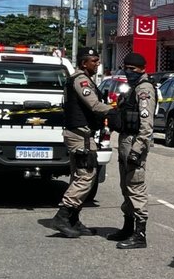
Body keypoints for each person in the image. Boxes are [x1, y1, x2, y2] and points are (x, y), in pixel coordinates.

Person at [51, 47, 113, 238]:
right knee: (85, 177)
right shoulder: (81, 80)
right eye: (94, 60)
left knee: (78, 176)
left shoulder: (83, 79)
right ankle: (62, 216)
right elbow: (94, 105)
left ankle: (73, 219)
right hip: (80, 136)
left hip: (81, 135)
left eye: (97, 60)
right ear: (84, 62)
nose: (97, 63)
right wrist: (115, 111)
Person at [106, 53, 156, 250]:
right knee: (125, 187)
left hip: (135, 142)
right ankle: (127, 227)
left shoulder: (144, 89)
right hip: (125, 139)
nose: (128, 72)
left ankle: (139, 234)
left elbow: (146, 125)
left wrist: (137, 150)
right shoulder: (132, 88)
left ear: (142, 69)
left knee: (136, 187)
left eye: (132, 69)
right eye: (126, 68)